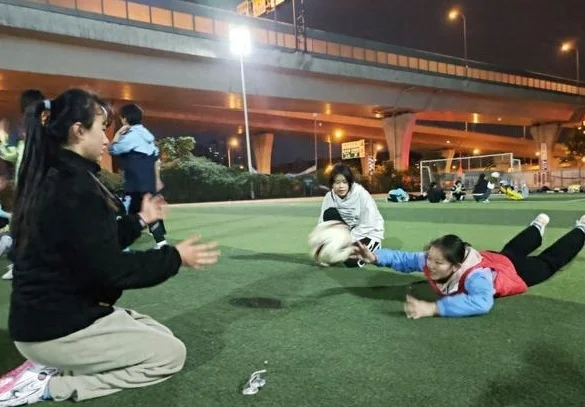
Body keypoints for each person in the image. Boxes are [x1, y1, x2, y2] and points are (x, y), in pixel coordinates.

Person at [0, 89, 220, 406]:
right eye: (101, 128)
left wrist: (141, 219)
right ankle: (46, 386)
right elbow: (111, 270)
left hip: (57, 317)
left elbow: (94, 242)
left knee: (162, 336)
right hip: (55, 328)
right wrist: (174, 257)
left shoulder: (61, 176)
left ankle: (49, 365)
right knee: (170, 356)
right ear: (78, 130)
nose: (107, 140)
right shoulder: (73, 186)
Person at [352, 213, 585, 319]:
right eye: (430, 258)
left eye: (438, 262)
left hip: (514, 275)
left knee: (549, 262)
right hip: (496, 259)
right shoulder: (431, 259)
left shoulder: (476, 277)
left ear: (455, 266)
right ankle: (537, 226)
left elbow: (482, 302)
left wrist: (434, 308)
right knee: (511, 251)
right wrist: (375, 257)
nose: (429, 265)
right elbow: (404, 259)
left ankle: (580, 230)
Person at [0, 90, 48, 281]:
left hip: (38, 186)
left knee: (32, 226)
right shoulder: (26, 133)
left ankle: (23, 263)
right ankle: (21, 263)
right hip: (28, 186)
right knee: (27, 226)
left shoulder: (37, 131)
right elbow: (10, 155)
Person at [108, 104, 167, 248]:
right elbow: (155, 158)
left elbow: (113, 150)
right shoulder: (147, 136)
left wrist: (116, 136)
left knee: (125, 210)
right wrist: (157, 179)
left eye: (121, 117)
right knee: (147, 209)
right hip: (148, 180)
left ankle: (123, 245)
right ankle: (161, 242)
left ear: (125, 119)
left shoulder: (131, 135)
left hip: (135, 180)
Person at [318, 164, 384, 267]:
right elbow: (323, 222)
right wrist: (322, 244)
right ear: (332, 184)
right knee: (329, 213)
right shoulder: (329, 197)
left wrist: (345, 240)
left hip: (368, 232)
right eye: (337, 182)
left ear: (350, 182)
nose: (341, 186)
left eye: (344, 182)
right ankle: (341, 249)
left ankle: (375, 246)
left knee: (350, 261)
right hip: (347, 232)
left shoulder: (361, 194)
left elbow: (369, 224)